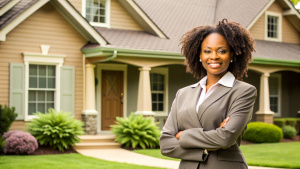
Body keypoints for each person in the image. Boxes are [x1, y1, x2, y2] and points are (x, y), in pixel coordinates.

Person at [159, 19, 257, 169]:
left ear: (232, 55)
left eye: (222, 51)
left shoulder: (243, 91)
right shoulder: (183, 94)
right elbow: (166, 144)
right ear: (199, 55)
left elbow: (225, 138)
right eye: (207, 51)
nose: (214, 56)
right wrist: (203, 150)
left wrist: (182, 135)